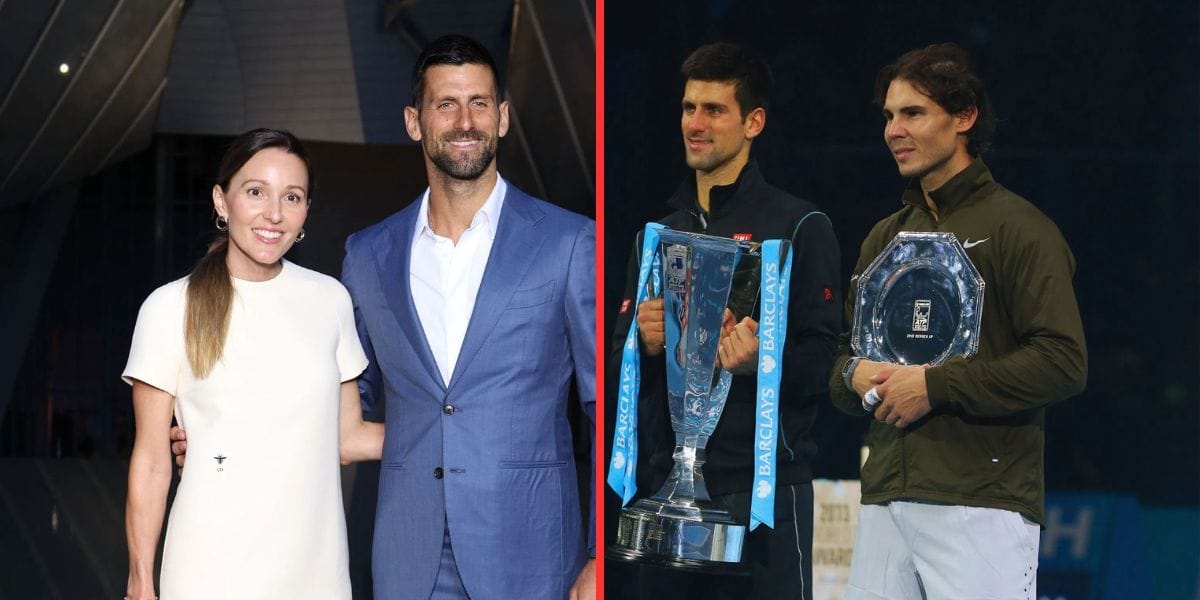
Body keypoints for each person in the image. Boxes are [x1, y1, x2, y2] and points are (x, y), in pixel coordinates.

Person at [339, 35, 595, 599]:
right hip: (410, 556)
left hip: (531, 551)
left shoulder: (568, 241)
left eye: (480, 103)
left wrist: (601, 554)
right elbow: (340, 407)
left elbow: (605, 409)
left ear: (502, 117)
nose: (465, 121)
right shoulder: (369, 254)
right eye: (445, 104)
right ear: (414, 121)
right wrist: (221, 430)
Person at [831, 43, 1087, 599]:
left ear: (964, 117)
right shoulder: (884, 237)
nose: (893, 130)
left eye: (913, 113)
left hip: (981, 501)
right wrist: (851, 377)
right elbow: (843, 361)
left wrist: (934, 385)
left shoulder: (1021, 229)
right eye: (888, 116)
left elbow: (1063, 362)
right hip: (885, 499)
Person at [608, 42, 841, 599]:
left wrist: (764, 362)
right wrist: (644, 342)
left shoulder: (800, 227)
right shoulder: (656, 234)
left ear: (753, 121)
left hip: (761, 497)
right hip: (669, 492)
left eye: (714, 110)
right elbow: (619, 365)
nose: (696, 123)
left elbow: (825, 364)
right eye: (689, 108)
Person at [123, 128, 383, 600]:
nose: (274, 214)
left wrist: (453, 432)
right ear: (222, 202)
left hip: (316, 574)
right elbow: (152, 462)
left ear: (306, 212)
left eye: (292, 196)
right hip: (206, 570)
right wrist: (141, 579)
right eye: (256, 192)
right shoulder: (168, 308)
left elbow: (350, 438)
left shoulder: (330, 301)